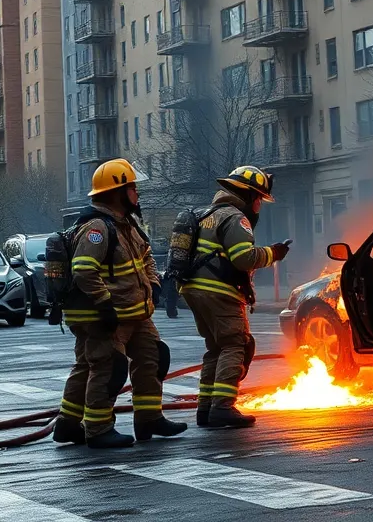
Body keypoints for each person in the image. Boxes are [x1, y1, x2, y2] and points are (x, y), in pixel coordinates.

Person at [54, 158, 186, 449]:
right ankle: (98, 429)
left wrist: (152, 284)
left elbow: (147, 257)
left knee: (153, 358)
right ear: (117, 192)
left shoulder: (127, 225)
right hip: (111, 317)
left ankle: (148, 419)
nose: (137, 194)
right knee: (107, 368)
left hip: (137, 314)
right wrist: (104, 303)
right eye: (132, 188)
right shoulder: (98, 228)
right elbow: (83, 269)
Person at [167, 165, 290, 429]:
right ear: (247, 195)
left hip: (192, 290)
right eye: (258, 199)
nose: (259, 206)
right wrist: (273, 253)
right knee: (236, 344)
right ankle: (223, 406)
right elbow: (244, 258)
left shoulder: (204, 214)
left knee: (216, 348)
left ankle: (206, 408)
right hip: (219, 291)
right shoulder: (235, 217)